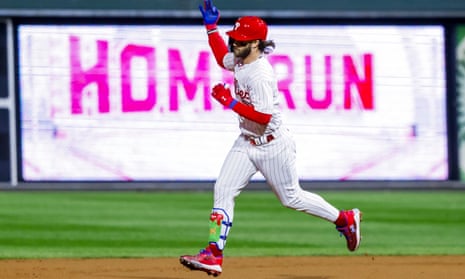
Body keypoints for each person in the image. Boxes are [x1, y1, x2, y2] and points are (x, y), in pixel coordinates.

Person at [180, 0, 362, 276]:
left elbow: (263, 118)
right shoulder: (241, 58)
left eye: (240, 40)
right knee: (224, 189)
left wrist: (230, 103)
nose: (234, 43)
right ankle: (214, 254)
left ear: (256, 43)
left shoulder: (261, 74)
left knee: (292, 198)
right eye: (234, 37)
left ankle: (344, 219)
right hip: (246, 141)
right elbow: (221, 58)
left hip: (272, 144)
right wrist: (211, 27)